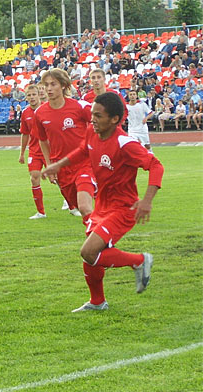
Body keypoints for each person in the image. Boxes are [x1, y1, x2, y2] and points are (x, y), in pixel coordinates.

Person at [42, 92, 164, 312]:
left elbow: (156, 166)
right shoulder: (92, 132)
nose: (93, 120)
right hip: (102, 207)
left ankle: (139, 260)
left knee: (88, 252)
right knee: (91, 257)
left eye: (98, 116)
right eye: (92, 115)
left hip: (123, 210)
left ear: (115, 119)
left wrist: (146, 201)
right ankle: (97, 302)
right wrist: (58, 165)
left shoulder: (125, 143)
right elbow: (82, 151)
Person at [33, 68, 95, 221]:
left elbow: (100, 125)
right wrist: (50, 166)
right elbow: (43, 141)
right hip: (61, 168)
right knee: (79, 208)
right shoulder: (40, 113)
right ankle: (100, 236)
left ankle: (103, 238)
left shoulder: (80, 107)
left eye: (53, 84)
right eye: (46, 85)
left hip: (84, 163)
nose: (48, 88)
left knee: (85, 206)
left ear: (63, 85)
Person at [19, 84, 47, 219]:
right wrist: (22, 153)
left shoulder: (47, 109)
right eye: (29, 95)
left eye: (34, 94)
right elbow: (25, 134)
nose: (31, 97)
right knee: (34, 178)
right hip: (35, 151)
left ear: (39, 95)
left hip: (50, 151)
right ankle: (41, 212)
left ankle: (72, 205)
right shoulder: (25, 113)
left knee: (60, 179)